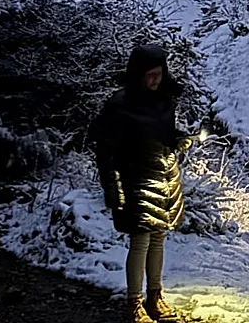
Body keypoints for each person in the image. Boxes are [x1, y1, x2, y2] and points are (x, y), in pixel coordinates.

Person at [90, 44, 193, 323]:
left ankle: (155, 295)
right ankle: (134, 301)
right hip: (134, 179)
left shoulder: (163, 101)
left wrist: (178, 139)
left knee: (158, 238)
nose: (155, 80)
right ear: (137, 74)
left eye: (159, 74)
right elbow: (106, 150)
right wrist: (111, 188)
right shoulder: (120, 106)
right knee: (141, 240)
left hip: (164, 178)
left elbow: (165, 134)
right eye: (150, 75)